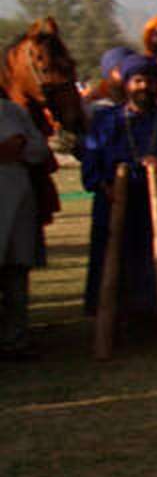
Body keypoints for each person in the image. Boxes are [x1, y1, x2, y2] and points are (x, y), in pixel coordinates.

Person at [81, 52, 157, 336]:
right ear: (127, 84)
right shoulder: (105, 120)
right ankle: (116, 325)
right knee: (115, 266)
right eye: (138, 81)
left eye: (151, 81)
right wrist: (105, 184)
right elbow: (91, 168)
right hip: (116, 207)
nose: (144, 87)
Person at [0, 81, 57, 357]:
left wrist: (18, 149)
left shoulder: (12, 111)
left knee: (16, 272)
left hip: (17, 200)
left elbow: (38, 150)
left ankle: (15, 339)